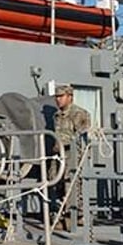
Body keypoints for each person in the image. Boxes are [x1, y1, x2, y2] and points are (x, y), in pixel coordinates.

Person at [51, 84, 90, 228]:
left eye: (61, 97)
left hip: (73, 153)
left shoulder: (79, 114)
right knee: (56, 182)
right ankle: (61, 214)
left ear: (70, 97)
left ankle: (73, 217)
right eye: (56, 97)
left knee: (72, 184)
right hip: (59, 153)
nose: (58, 100)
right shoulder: (56, 115)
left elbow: (83, 136)